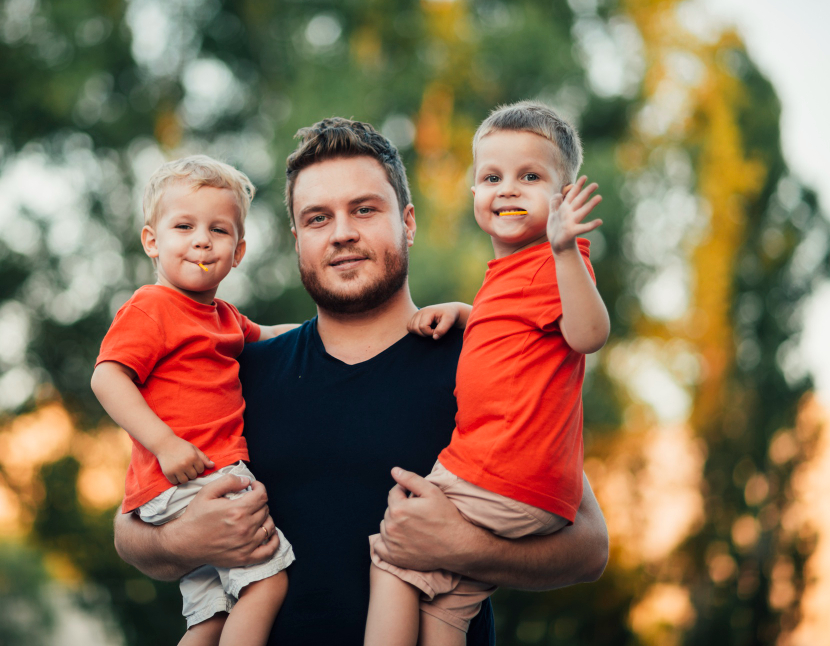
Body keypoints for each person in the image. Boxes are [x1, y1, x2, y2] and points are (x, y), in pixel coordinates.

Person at [112, 118, 610, 646]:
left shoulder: (484, 355)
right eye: (318, 218)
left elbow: (589, 545)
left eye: (365, 209)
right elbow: (130, 529)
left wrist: (466, 547)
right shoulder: (235, 373)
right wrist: (185, 539)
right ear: (297, 238)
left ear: (408, 222)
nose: (342, 232)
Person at [364, 101, 610, 646]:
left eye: (531, 177)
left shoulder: (556, 260)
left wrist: (566, 249)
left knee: (395, 553)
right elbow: (522, 335)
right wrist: (464, 313)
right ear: (474, 193)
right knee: (448, 603)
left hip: (496, 472)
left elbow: (586, 334)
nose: (509, 189)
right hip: (527, 488)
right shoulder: (512, 273)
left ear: (564, 198)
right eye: (491, 177)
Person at [91, 156, 297, 646]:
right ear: (152, 241)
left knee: (210, 616)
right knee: (268, 582)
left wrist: (322, 332)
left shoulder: (224, 317)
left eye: (218, 230)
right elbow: (107, 378)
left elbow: (269, 335)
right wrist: (166, 443)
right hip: (198, 472)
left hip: (187, 481)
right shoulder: (151, 307)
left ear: (238, 250)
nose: (202, 240)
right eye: (184, 226)